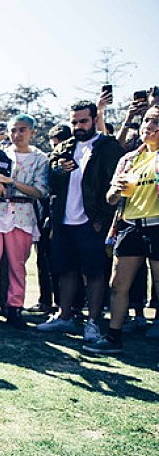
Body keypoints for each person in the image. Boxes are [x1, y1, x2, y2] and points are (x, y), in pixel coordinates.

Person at [36, 101, 125, 341]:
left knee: (94, 273)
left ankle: (93, 322)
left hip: (92, 221)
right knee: (65, 270)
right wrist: (58, 170)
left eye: (83, 121)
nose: (78, 126)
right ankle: (65, 316)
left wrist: (103, 220)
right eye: (74, 122)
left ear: (95, 120)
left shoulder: (107, 147)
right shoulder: (64, 147)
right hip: (64, 221)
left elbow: (116, 184)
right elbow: (49, 180)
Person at [86, 105, 159, 354]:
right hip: (129, 225)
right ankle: (113, 338)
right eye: (147, 120)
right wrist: (115, 190)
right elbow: (110, 199)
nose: (148, 126)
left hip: (157, 224)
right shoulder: (129, 159)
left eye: (155, 121)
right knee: (118, 285)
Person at [0, 114, 49, 330]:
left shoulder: (40, 159)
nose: (17, 135)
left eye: (22, 130)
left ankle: (15, 308)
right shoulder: (0, 154)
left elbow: (41, 191)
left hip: (23, 214)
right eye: (13, 130)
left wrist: (12, 182)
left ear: (32, 132)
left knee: (17, 266)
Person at [28, 123, 72, 315]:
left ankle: (65, 304)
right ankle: (45, 301)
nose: (57, 149)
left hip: (66, 218)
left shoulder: (73, 161)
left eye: (60, 143)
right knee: (42, 260)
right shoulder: (48, 161)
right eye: (53, 144)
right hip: (44, 216)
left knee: (62, 264)